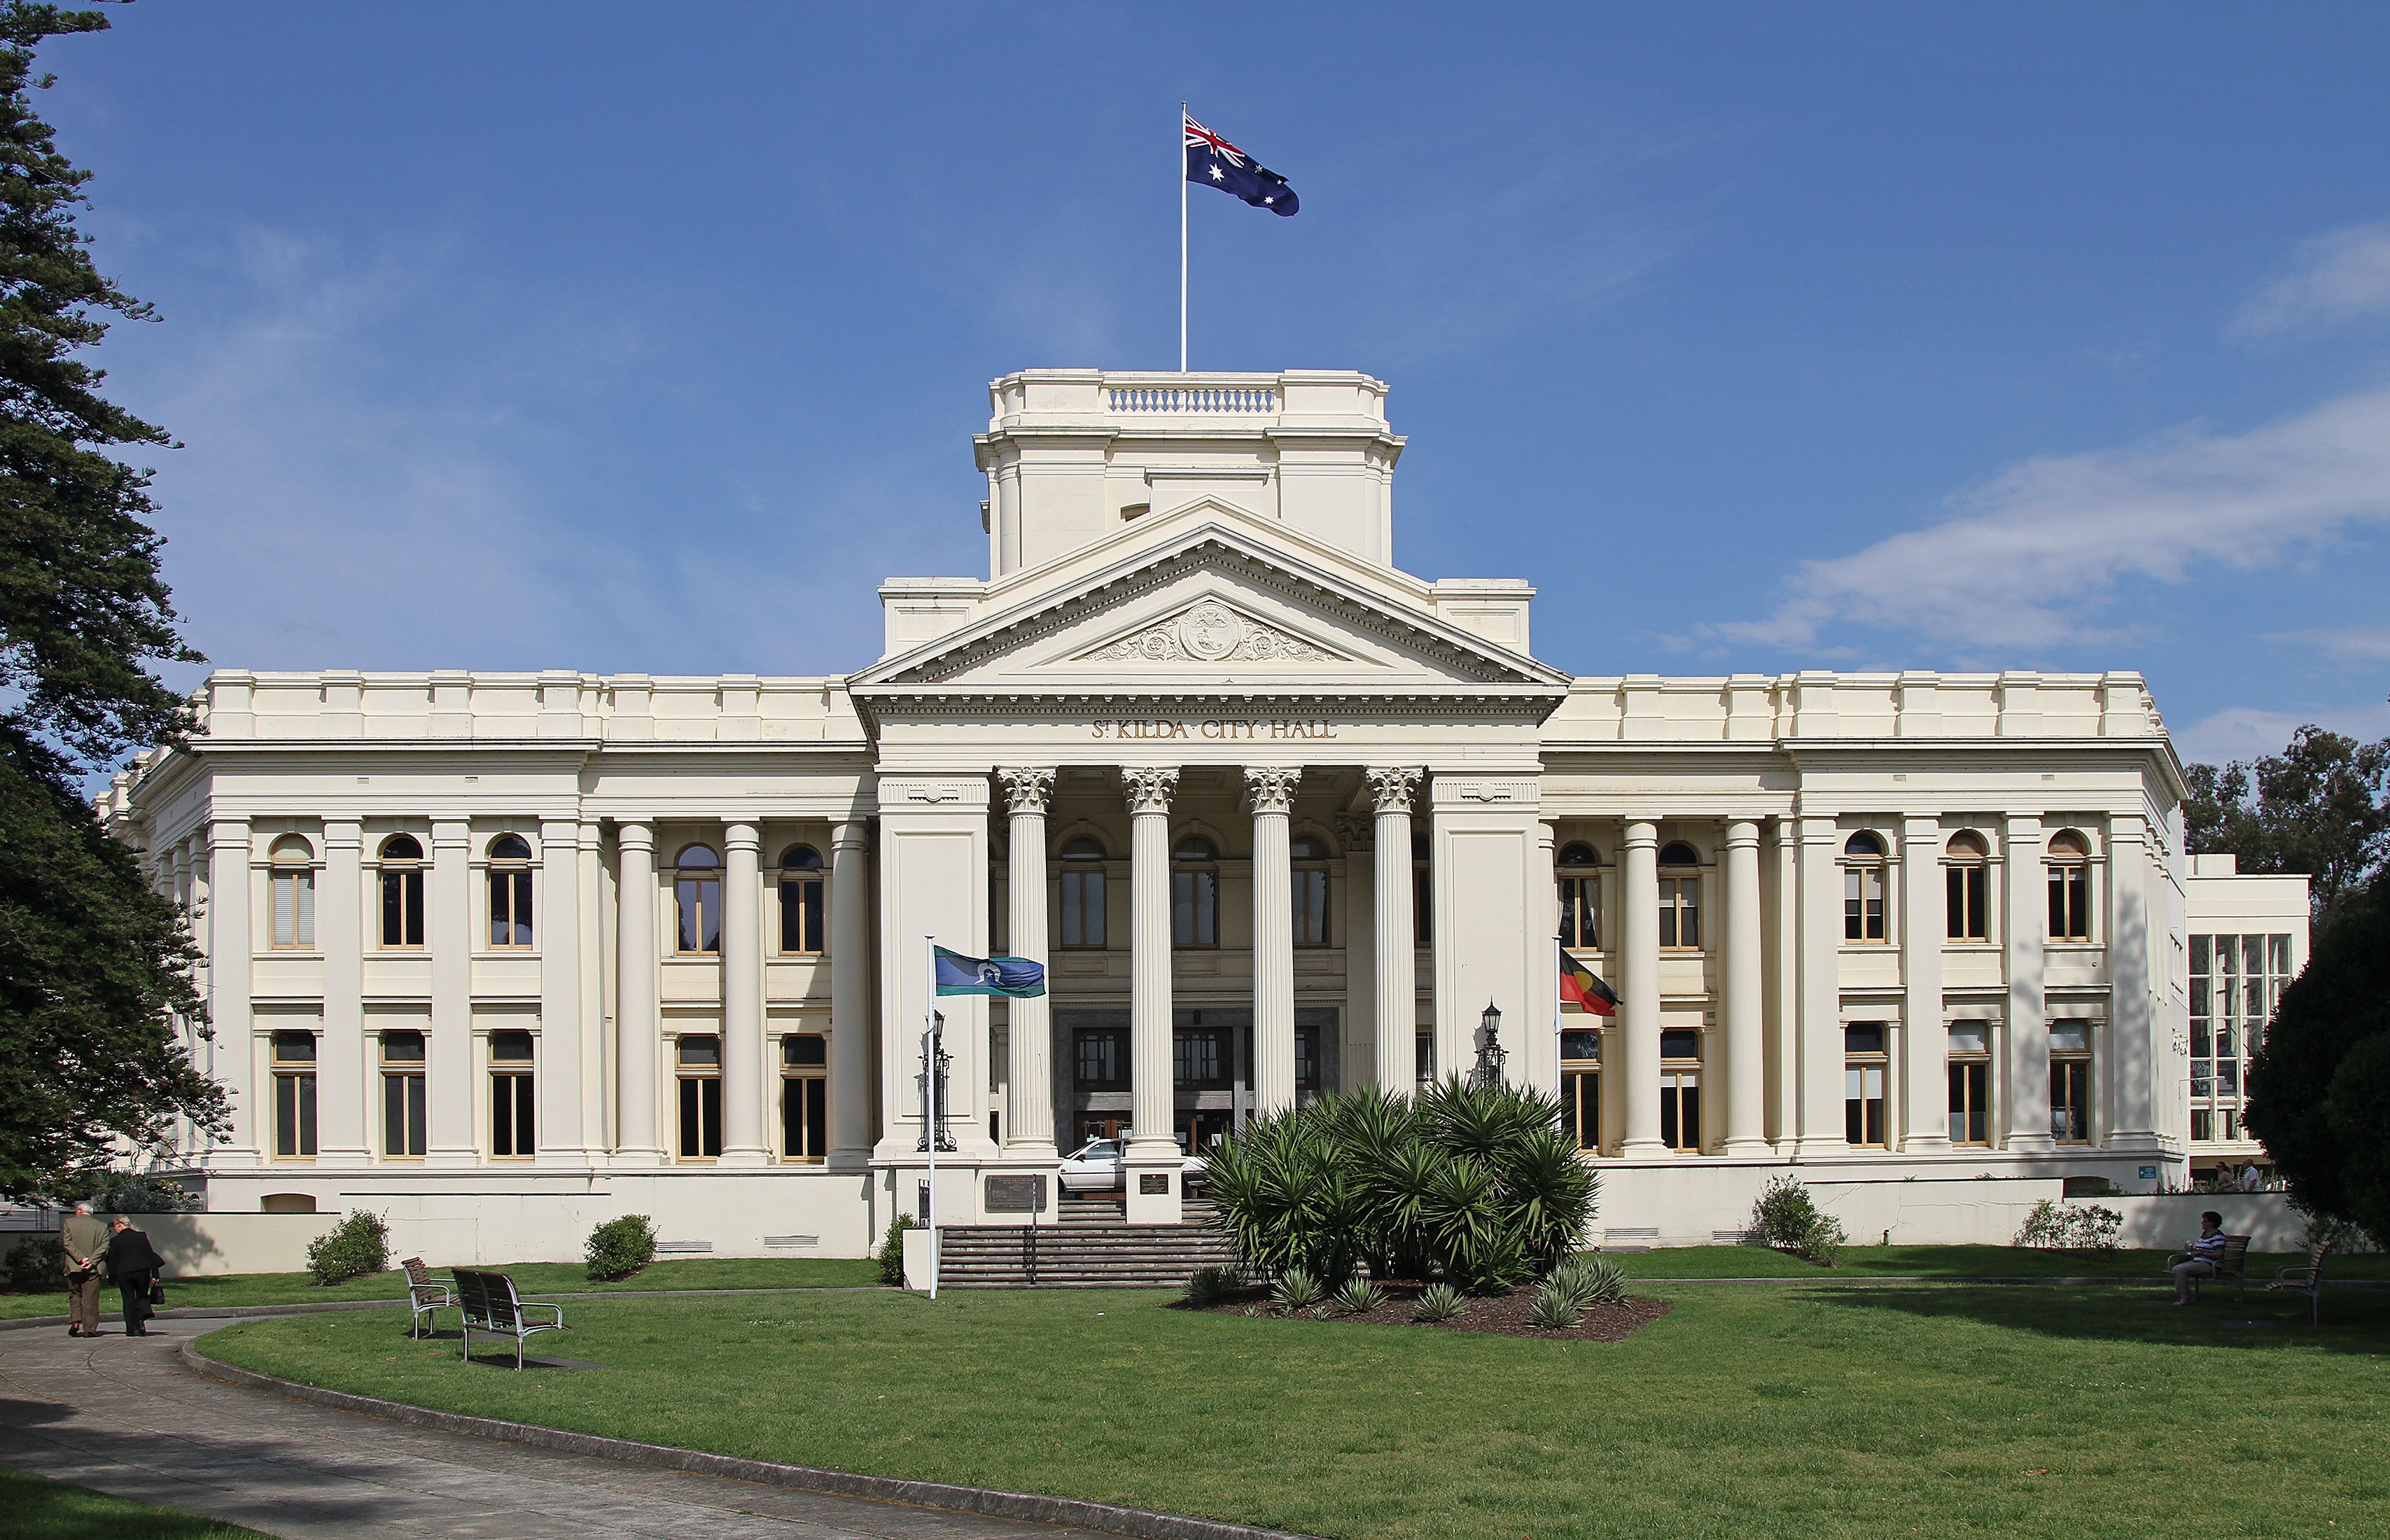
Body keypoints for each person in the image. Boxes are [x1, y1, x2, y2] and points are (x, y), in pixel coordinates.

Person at [104, 1216, 165, 1336]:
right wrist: (155, 1274)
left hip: (125, 1274)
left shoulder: (116, 1241)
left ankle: (132, 1328)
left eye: (115, 1226)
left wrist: (112, 1279)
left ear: (120, 1225)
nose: (115, 1229)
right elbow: (150, 1255)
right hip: (142, 1272)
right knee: (142, 1295)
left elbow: (112, 1261)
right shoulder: (141, 1237)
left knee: (128, 1299)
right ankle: (142, 1320)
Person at [59, 1203, 108, 1338]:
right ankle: (90, 1328)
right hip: (93, 1268)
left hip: (75, 1266)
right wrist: (91, 1261)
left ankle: (75, 1322)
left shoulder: (69, 1223)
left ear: (79, 1211)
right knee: (91, 1298)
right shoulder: (102, 1226)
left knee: (75, 1294)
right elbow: (104, 1246)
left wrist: (81, 1259)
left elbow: (68, 1243)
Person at [2170, 1210, 2228, 1305]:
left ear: (2211, 1223)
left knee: (2181, 1270)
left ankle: (2185, 1296)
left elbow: (2219, 1254)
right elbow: (2202, 1249)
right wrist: (2193, 1251)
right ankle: (2185, 1294)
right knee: (2176, 1268)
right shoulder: (2204, 1235)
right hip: (2199, 1261)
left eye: (2204, 1221)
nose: (2202, 1223)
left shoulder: (2218, 1237)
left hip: (2211, 1264)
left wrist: (2203, 1254)